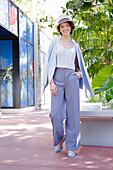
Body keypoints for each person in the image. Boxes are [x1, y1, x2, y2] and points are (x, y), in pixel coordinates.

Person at [43, 14, 94, 158]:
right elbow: (48, 63)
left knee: (73, 114)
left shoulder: (75, 46)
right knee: (55, 114)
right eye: (62, 26)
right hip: (57, 77)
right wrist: (51, 81)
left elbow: (80, 66)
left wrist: (78, 75)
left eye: (67, 26)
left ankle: (71, 146)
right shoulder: (54, 42)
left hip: (71, 78)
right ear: (59, 29)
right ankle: (59, 140)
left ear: (71, 27)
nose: (65, 28)